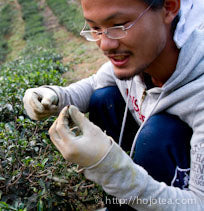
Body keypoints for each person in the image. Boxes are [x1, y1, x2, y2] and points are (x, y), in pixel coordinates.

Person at [23, 0, 204, 210]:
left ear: (169, 7)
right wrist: (54, 96)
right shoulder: (139, 59)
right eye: (95, 29)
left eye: (119, 26)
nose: (105, 44)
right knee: (104, 98)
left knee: (159, 133)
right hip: (145, 184)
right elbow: (95, 83)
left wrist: (110, 169)